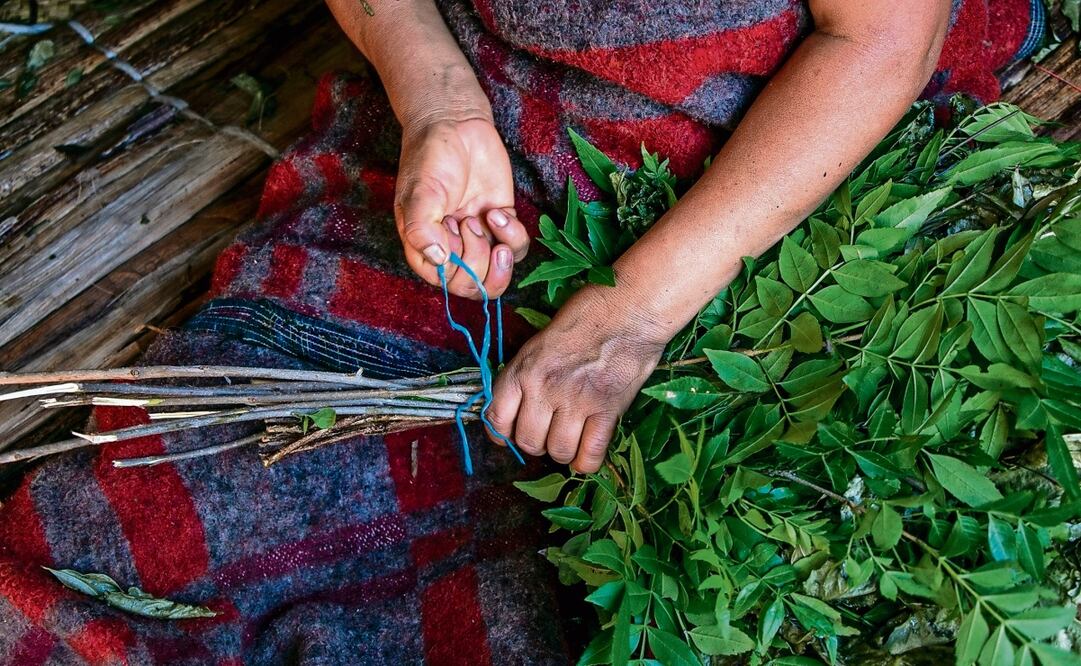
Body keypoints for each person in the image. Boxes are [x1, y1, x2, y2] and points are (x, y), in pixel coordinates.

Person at [0, 1, 1043, 663]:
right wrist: (437, 101)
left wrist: (632, 316)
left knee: (569, 574)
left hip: (762, 151)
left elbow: (876, 39)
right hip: (497, 103)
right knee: (155, 517)